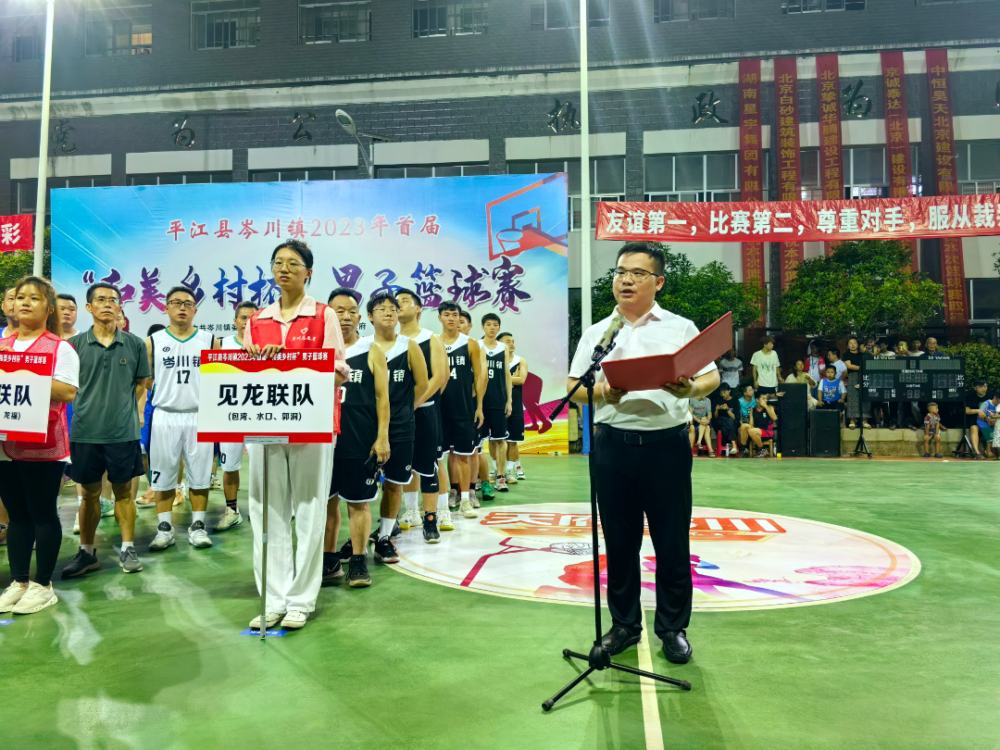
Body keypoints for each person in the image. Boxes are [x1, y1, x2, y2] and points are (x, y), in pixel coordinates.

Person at [568, 242, 719, 665]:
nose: (626, 280)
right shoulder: (599, 333)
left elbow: (709, 377)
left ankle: (672, 628)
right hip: (613, 448)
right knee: (619, 542)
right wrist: (601, 391)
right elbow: (573, 387)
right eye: (620, 272)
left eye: (637, 273)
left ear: (659, 282)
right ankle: (624, 625)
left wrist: (691, 389)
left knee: (672, 541)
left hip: (666, 447)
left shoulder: (679, 327)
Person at [242, 240, 349, 631]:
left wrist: (289, 361)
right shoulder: (258, 320)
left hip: (312, 427)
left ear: (308, 272)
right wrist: (258, 361)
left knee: (309, 509)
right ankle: (273, 599)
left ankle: (301, 601)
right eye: (277, 262)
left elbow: (339, 372)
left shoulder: (323, 315)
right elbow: (244, 372)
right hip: (265, 427)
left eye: (293, 263)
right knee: (266, 512)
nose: (283, 268)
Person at [0, 277, 80, 615]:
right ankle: (19, 582)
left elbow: (67, 392)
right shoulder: (2, 345)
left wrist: (22, 371)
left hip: (43, 445)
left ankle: (43, 586)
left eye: (34, 298)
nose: (25, 302)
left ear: (49, 308)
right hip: (4, 445)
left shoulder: (59, 348)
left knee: (43, 515)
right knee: (17, 517)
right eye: (20, 297)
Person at [61, 282, 150, 579]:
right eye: (101, 299)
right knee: (89, 495)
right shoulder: (73, 346)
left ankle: (128, 548)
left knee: (124, 493)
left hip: (123, 433)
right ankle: (87, 552)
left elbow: (141, 384)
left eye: (113, 299)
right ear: (89, 307)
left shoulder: (135, 344)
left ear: (120, 306)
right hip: (85, 432)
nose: (108, 304)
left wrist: (128, 413)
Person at [145, 287, 221, 553]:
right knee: (163, 475)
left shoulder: (209, 340)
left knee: (200, 476)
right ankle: (164, 528)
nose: (182, 307)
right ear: (166, 307)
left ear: (195, 310)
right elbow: (145, 378)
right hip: (165, 415)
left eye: (187, 303)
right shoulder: (152, 341)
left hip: (199, 415)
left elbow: (218, 379)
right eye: (176, 302)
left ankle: (198, 526)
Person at [323, 287, 390, 588]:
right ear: (328, 315)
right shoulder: (318, 351)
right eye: (339, 311)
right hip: (323, 441)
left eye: (352, 311)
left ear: (360, 318)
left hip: (359, 440)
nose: (346, 317)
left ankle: (359, 562)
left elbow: (383, 398)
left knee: (358, 503)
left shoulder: (371, 350)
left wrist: (382, 437)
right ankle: (329, 561)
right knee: (327, 503)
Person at [364, 293, 431, 560]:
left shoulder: (409, 346)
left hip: (401, 427)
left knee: (394, 483)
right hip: (367, 426)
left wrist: (405, 409)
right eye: (382, 309)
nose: (389, 312)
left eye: (393, 308)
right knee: (360, 485)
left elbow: (423, 384)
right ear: (369, 316)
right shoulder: (363, 347)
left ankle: (384, 537)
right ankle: (357, 538)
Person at [396, 288, 452, 534]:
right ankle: (411, 510)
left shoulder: (431, 338)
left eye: (404, 301)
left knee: (432, 463)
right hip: (399, 413)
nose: (398, 305)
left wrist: (415, 403)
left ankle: (439, 512)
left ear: (418, 308)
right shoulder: (391, 340)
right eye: (395, 302)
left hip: (425, 410)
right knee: (405, 464)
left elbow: (440, 377)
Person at [438, 301, 484, 519]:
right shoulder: (433, 343)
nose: (451, 318)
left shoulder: (470, 344)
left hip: (464, 408)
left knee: (464, 455)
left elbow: (480, 377)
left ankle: (465, 500)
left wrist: (479, 406)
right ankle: (444, 497)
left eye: (455, 315)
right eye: (447, 314)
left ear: (459, 318)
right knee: (440, 457)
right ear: (440, 317)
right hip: (438, 410)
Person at [215, 301, 257, 531]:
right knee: (230, 466)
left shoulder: (267, 346)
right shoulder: (222, 345)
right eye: (243, 318)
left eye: (253, 318)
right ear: (235, 321)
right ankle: (232, 511)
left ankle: (262, 509)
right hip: (229, 416)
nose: (247, 323)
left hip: (259, 417)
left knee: (262, 466)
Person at [479, 313, 513, 492]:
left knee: (499, 440)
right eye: (488, 324)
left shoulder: (503, 348)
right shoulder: (476, 345)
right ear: (482, 327)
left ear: (499, 328)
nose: (492, 327)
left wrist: (509, 400)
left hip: (498, 401)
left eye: (495, 325)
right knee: (477, 444)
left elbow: (507, 375)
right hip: (479, 402)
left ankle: (500, 477)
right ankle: (478, 478)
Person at [135, 323, 166, 509]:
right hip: (147, 407)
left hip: (166, 408)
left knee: (165, 451)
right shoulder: (144, 354)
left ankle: (173, 487)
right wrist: (140, 412)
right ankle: (152, 486)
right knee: (145, 452)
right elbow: (142, 383)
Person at [499, 331, 527, 481]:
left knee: (512, 440)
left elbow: (521, 379)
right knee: (497, 440)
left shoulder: (520, 361)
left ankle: (510, 470)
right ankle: (497, 470)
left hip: (515, 404)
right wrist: (512, 377)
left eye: (513, 341)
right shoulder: (495, 360)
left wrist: (503, 377)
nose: (512, 344)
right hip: (497, 404)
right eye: (508, 341)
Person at [841, 338, 868, 429]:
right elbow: (849, 366)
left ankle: (864, 421)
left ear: (858, 345)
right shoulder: (846, 355)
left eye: (854, 343)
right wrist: (862, 367)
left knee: (864, 398)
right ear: (848, 346)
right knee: (852, 398)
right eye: (850, 343)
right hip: (852, 376)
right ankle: (852, 421)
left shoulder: (862, 354)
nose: (852, 345)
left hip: (863, 376)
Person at [739, 392, 777, 458]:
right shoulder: (753, 410)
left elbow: (774, 418)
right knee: (743, 426)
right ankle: (744, 449)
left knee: (751, 431)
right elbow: (751, 424)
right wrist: (748, 427)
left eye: (766, 399)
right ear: (757, 400)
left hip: (767, 431)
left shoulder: (769, 407)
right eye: (763, 399)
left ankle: (762, 450)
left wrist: (766, 406)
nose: (766, 400)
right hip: (756, 431)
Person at [965, 379, 990, 459]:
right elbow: (967, 410)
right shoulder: (970, 397)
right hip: (975, 420)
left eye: (985, 386)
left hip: (989, 419)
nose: (983, 389)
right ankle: (977, 453)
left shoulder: (991, 396)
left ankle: (990, 451)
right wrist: (978, 411)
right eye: (980, 387)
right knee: (974, 428)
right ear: (975, 388)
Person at [712, 385, 740, 456]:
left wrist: (727, 410)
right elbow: (715, 417)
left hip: (732, 422)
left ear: (729, 391)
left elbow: (735, 417)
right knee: (726, 422)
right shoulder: (717, 400)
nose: (723, 394)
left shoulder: (735, 401)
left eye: (724, 392)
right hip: (720, 422)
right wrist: (717, 410)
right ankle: (733, 445)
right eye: (721, 393)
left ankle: (727, 444)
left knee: (728, 423)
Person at [977, 390, 999, 459]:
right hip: (983, 422)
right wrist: (988, 420)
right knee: (990, 435)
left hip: (994, 423)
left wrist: (994, 421)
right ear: (995, 397)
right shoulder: (986, 404)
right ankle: (988, 451)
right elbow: (980, 414)